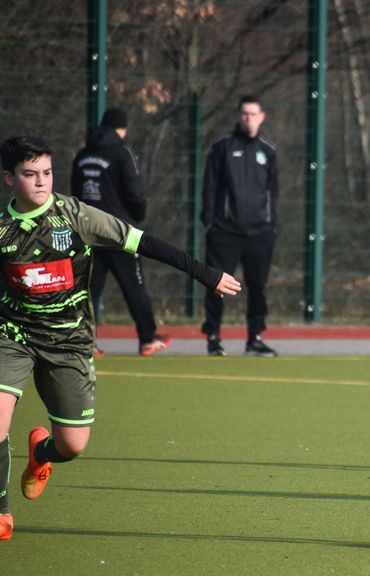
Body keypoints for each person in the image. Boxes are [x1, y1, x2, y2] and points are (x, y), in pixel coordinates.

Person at [0, 135, 240, 542]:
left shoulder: (76, 217)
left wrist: (205, 273)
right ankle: (3, 514)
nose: (41, 182)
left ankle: (40, 456)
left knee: (73, 445)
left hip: (70, 342)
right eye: (29, 174)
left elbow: (143, 242)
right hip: (13, 335)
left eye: (46, 172)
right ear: (8, 178)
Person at [71, 107, 170, 357]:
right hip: (119, 231)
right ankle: (148, 339)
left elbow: (75, 193)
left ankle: (85, 342)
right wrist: (137, 215)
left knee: (88, 290)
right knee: (134, 286)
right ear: (121, 129)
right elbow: (134, 192)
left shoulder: (82, 155)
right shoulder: (122, 153)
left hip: (87, 230)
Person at [201, 95, 279, 357]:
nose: (249, 118)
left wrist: (272, 225)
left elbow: (273, 193)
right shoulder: (222, 147)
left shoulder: (268, 151)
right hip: (225, 231)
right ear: (238, 115)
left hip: (260, 232)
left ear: (262, 116)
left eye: (253, 114)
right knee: (217, 284)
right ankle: (213, 337)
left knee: (257, 285)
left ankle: (254, 338)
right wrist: (209, 222)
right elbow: (210, 185)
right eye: (244, 113)